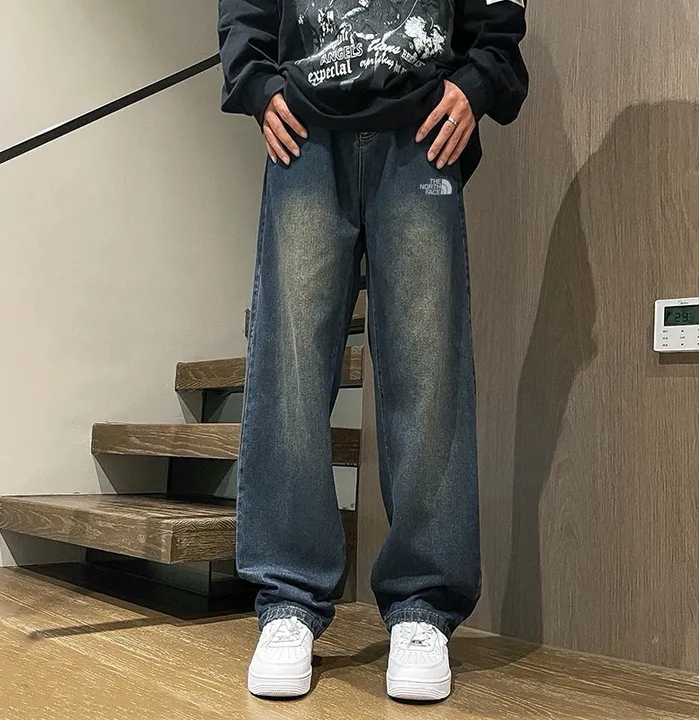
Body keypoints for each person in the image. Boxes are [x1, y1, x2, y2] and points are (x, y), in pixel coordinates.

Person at [218, 0, 528, 701]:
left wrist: (480, 80)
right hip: (304, 124)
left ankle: (423, 607)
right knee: (290, 367)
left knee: (428, 365)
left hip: (422, 123)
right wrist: (256, 81)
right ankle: (288, 599)